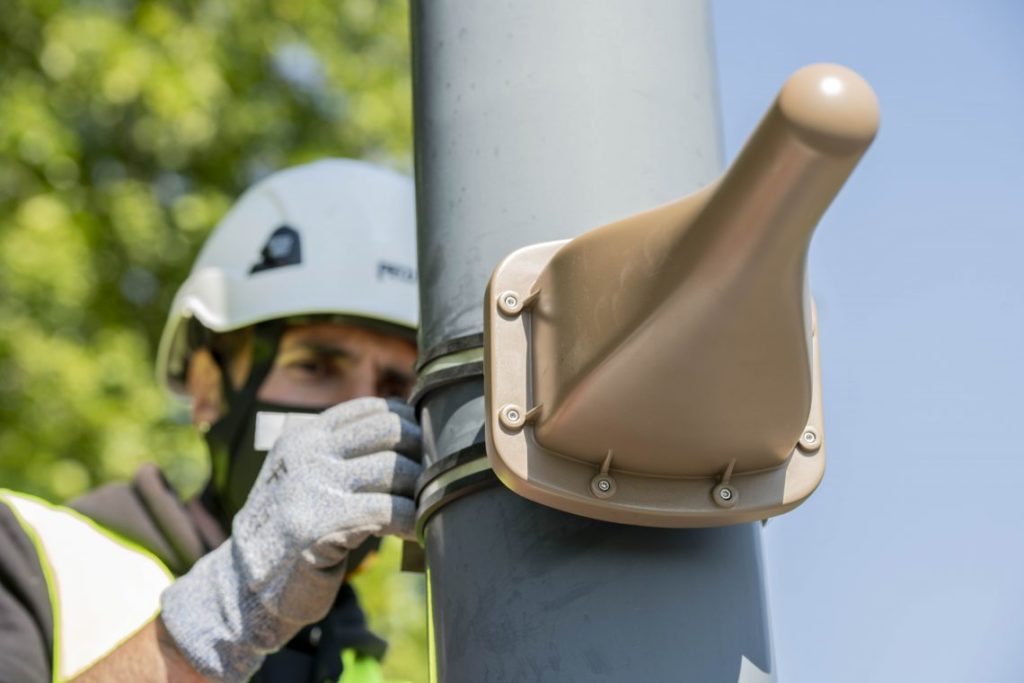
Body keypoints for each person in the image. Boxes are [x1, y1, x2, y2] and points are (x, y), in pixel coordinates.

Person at [0, 158, 424, 682]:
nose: (363, 413)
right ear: (207, 389)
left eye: (395, 388)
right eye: (314, 367)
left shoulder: (359, 661)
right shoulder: (31, 559)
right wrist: (232, 606)